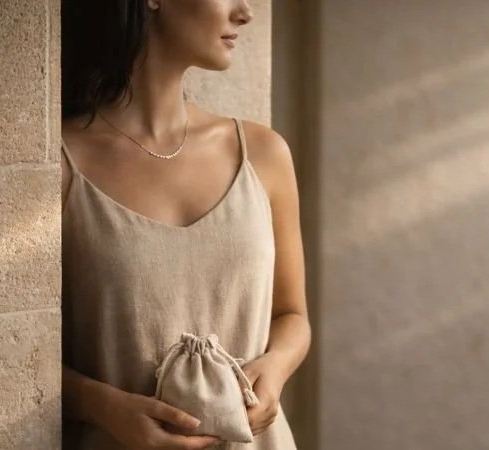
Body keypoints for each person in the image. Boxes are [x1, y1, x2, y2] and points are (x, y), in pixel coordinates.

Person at [59, 1, 311, 449]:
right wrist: (102, 406)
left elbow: (292, 316)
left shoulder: (263, 153)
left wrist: (275, 368)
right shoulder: (60, 162)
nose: (245, 12)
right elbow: (18, 349)